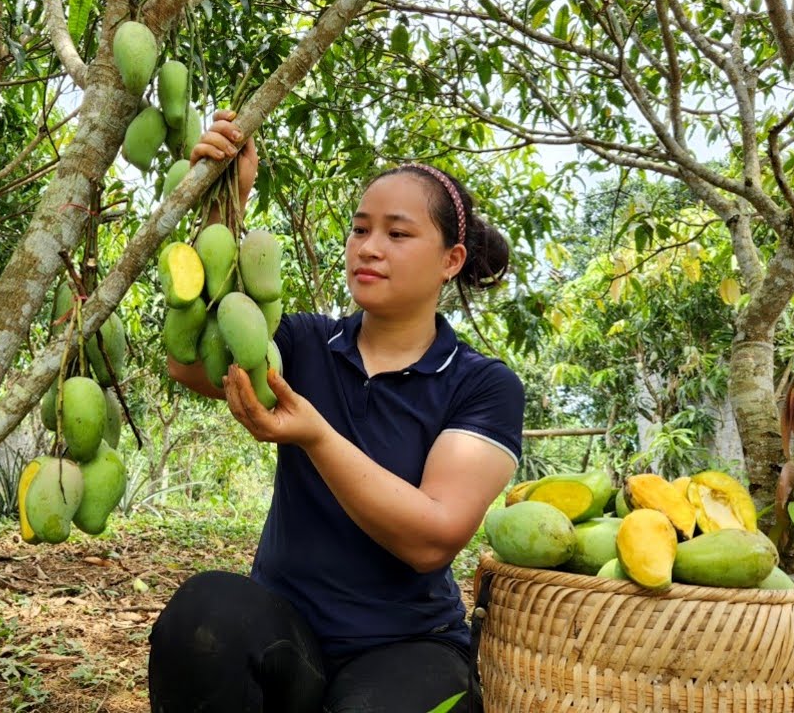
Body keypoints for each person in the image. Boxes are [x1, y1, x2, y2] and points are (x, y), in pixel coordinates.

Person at [148, 110, 524, 713]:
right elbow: (188, 364)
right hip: (287, 633)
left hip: (408, 646)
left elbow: (433, 539)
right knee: (203, 616)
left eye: (397, 235)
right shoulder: (302, 344)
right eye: (360, 229)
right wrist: (221, 207)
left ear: (451, 260)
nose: (368, 248)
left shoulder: (480, 384)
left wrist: (316, 437)